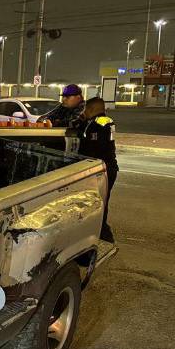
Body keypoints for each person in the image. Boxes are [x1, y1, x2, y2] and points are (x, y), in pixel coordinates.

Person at [72, 96, 118, 242]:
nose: (83, 111)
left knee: (100, 203)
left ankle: (103, 234)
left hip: (102, 170)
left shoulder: (99, 123)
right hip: (105, 168)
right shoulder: (101, 121)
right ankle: (100, 231)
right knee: (100, 201)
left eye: (86, 109)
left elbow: (91, 146)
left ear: (91, 109)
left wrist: (83, 122)